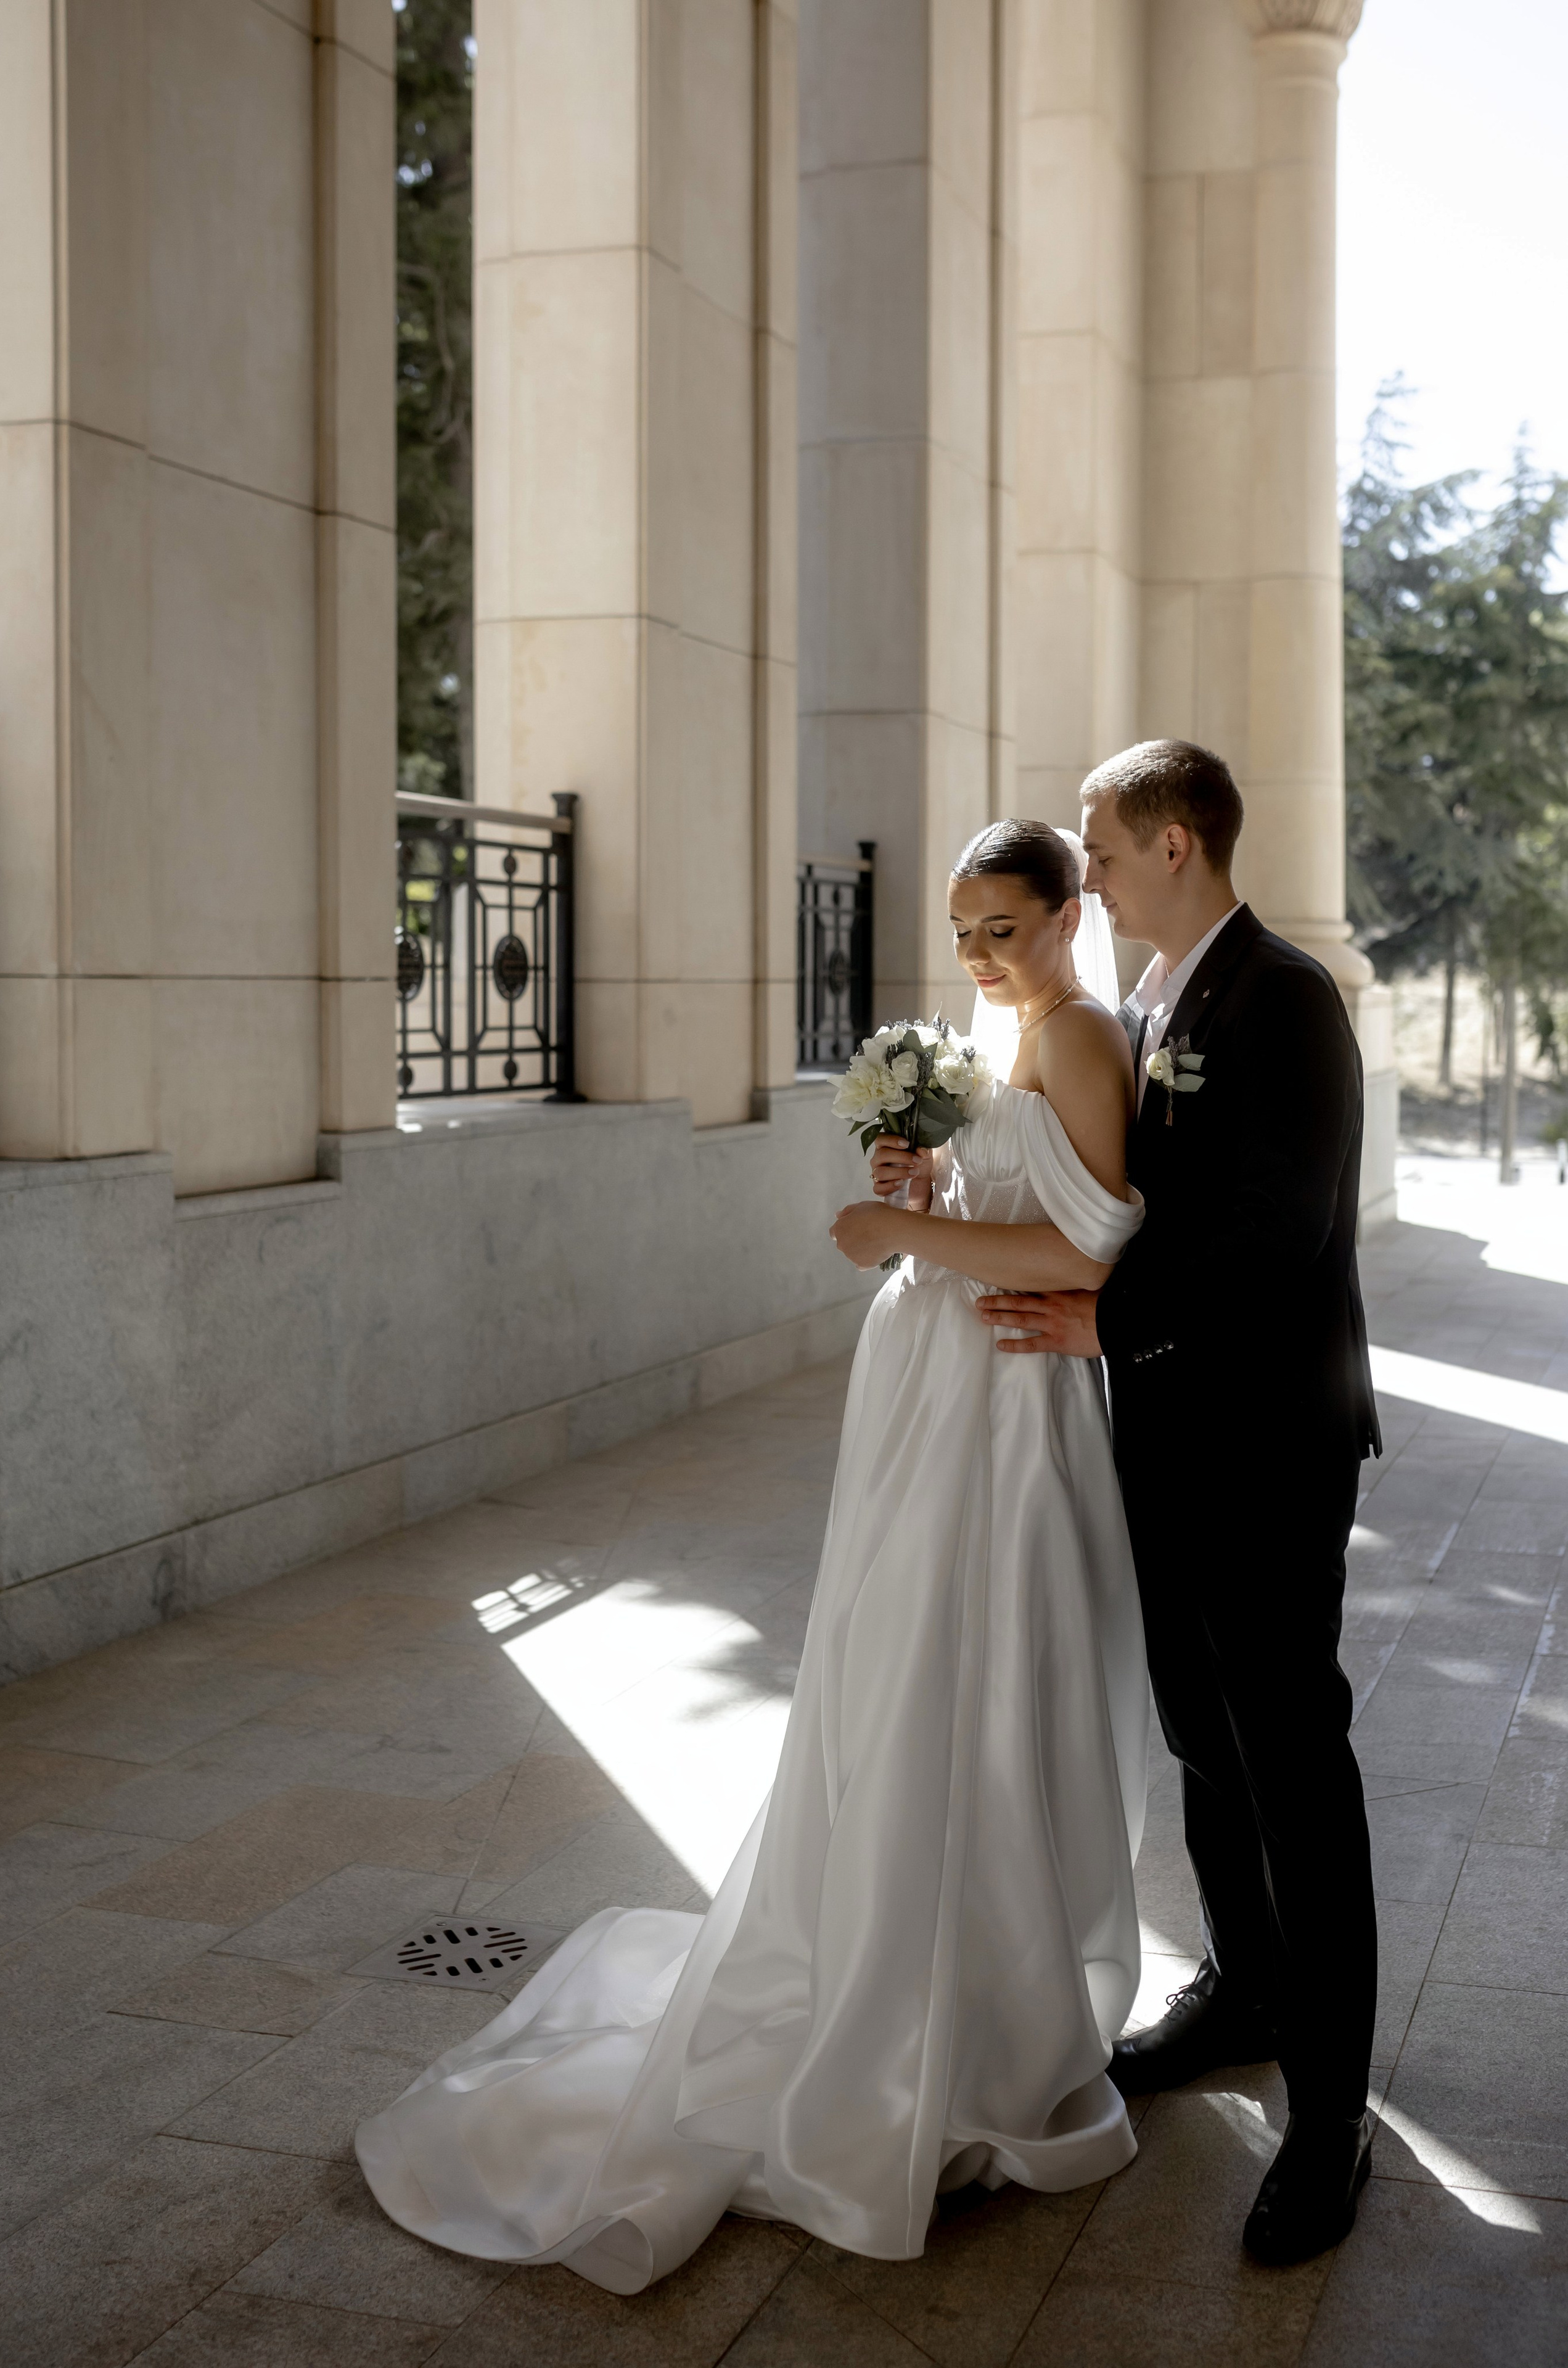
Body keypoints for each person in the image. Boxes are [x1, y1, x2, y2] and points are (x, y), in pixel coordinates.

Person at [354, 821, 1151, 2290]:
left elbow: (1093, 1253)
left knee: (965, 1676)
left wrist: (880, 1233)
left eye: (1005, 927)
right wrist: (921, 1195)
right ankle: (896, 1956)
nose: (979, 953)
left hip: (1005, 1404)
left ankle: (963, 2009)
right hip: (932, 1390)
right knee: (891, 1668)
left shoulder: (1087, 1037)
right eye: (963, 928)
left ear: (1066, 915)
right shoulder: (1005, 1030)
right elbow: (1002, 1205)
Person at [975, 739, 1381, 2267]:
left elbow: (1273, 1237)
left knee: (1288, 1758)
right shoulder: (1147, 1001)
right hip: (1156, 1434)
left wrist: (1109, 1324)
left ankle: (1328, 2112)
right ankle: (1245, 1988)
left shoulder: (1282, 996)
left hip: (1268, 1446)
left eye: (1094, 837)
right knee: (1200, 1736)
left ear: (1171, 842)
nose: (1078, 866)